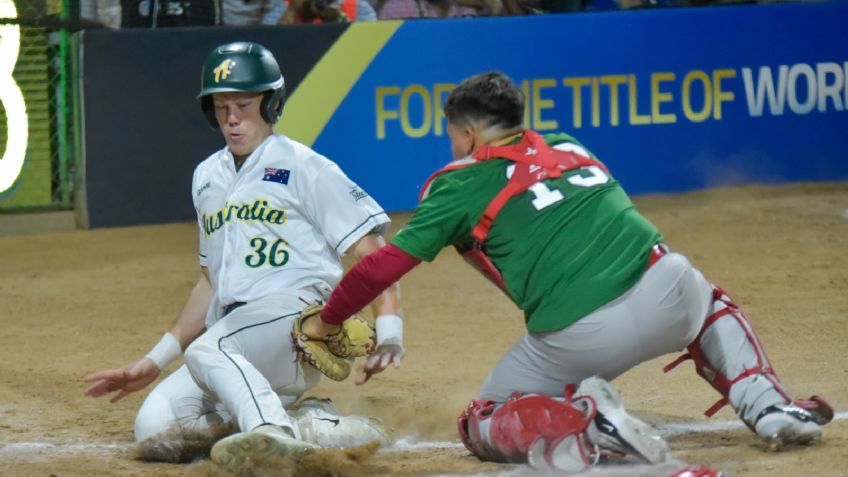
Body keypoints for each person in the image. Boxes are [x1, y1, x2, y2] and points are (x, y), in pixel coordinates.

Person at [300, 71, 835, 471]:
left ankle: (588, 430)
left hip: (581, 337)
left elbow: (379, 268)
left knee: (481, 418)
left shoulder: (456, 185)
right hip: (670, 286)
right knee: (706, 300)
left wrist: (330, 318)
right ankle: (772, 409)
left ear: (465, 133)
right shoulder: (567, 143)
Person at [83, 41, 404, 469]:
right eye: (220, 107)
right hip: (236, 339)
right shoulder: (206, 177)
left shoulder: (306, 167)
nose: (231, 119)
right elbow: (210, 282)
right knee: (157, 427)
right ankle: (309, 422)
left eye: (244, 105)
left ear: (272, 104)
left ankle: (270, 429)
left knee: (208, 349)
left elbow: (374, 256)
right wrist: (154, 359)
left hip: (296, 326)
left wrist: (391, 331)